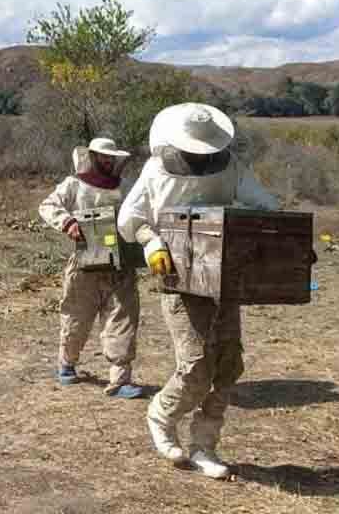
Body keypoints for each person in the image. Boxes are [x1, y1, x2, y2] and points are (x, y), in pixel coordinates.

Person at [118, 102, 285, 480]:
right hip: (178, 278)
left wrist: (259, 230)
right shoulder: (156, 168)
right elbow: (131, 219)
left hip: (223, 276)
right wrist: (151, 242)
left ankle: (204, 445)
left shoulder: (231, 165)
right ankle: (161, 417)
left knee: (228, 364)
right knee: (195, 365)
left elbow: (265, 203)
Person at [38, 137, 146, 399]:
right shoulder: (74, 184)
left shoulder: (125, 187)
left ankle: (120, 380)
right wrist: (68, 223)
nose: (107, 160)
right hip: (85, 262)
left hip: (121, 263)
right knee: (77, 315)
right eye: (103, 156)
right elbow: (48, 205)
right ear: (93, 157)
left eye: (111, 157)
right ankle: (67, 366)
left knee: (122, 318)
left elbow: (140, 212)